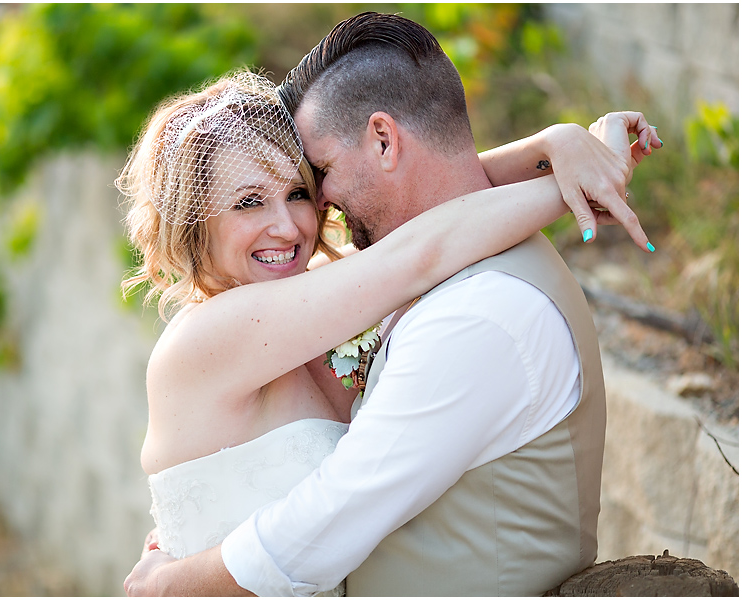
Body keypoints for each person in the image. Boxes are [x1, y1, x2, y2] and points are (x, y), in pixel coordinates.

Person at [123, 12, 662, 597]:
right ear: (196, 223)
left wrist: (561, 145)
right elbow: (424, 247)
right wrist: (568, 180)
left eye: (302, 188)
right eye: (248, 203)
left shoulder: (313, 295)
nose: (290, 223)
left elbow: (436, 206)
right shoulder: (216, 332)